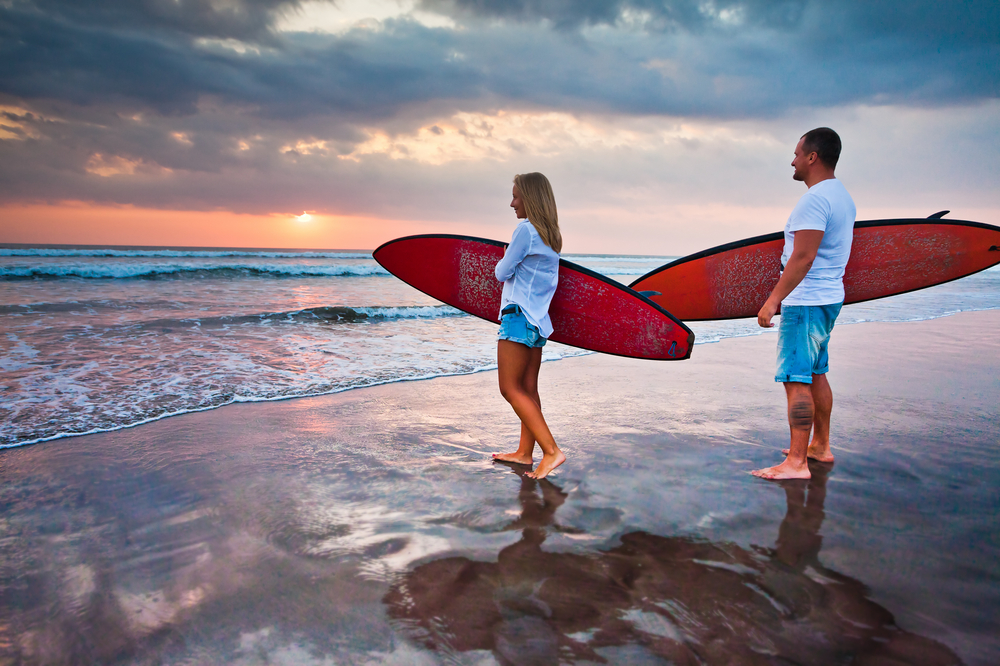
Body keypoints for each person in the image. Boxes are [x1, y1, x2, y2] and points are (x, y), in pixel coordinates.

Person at [752, 128, 856, 481]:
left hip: (807, 301)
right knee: (815, 373)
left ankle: (796, 462)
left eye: (797, 153)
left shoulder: (814, 200)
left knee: (796, 379)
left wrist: (772, 301)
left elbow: (804, 256)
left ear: (813, 157)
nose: (793, 160)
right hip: (828, 298)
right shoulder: (841, 196)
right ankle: (819, 446)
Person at [491, 172, 565, 479]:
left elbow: (501, 272)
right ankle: (525, 453)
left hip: (518, 316)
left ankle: (551, 451)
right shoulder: (550, 235)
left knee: (509, 388)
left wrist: (505, 257)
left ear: (530, 198)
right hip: (537, 321)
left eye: (516, 197)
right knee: (529, 390)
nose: (512, 203)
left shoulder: (525, 230)